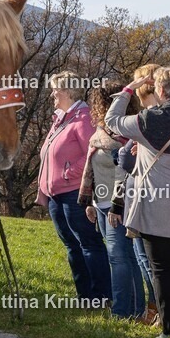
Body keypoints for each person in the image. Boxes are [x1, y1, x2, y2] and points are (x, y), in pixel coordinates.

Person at [106, 66, 170, 338]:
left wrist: (131, 86)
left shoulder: (146, 121)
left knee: (163, 273)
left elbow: (112, 120)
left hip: (157, 210)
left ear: (160, 91)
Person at [37, 71, 111, 303]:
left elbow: (95, 150)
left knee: (88, 243)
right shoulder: (62, 118)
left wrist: (69, 173)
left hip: (74, 194)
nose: (52, 94)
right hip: (56, 195)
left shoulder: (82, 117)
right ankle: (85, 296)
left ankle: (101, 296)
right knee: (72, 245)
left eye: (55, 90)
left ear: (68, 91)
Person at [78, 83, 144, 320]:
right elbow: (92, 169)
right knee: (123, 257)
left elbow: (124, 174)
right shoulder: (100, 134)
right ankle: (136, 309)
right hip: (101, 204)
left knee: (120, 258)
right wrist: (90, 202)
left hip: (120, 205)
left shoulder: (126, 134)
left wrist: (116, 206)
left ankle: (123, 311)